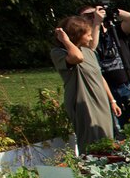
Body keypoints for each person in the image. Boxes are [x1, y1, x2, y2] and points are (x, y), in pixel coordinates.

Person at [50, 16, 122, 153]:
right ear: (76, 35)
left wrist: (112, 100)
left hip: (101, 101)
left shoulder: (89, 52)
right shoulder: (59, 53)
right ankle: (91, 169)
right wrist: (65, 40)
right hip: (84, 102)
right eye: (87, 35)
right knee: (91, 141)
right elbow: (77, 58)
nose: (90, 38)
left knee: (107, 138)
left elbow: (99, 76)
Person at [78, 4, 130, 132]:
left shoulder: (115, 30)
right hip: (105, 88)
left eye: (93, 14)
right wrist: (96, 23)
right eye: (88, 16)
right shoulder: (85, 38)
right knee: (117, 126)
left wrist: (112, 11)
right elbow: (91, 48)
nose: (92, 17)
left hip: (126, 82)